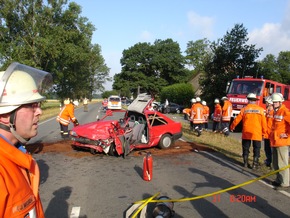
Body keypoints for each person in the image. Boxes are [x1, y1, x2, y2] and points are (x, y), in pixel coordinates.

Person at [0, 62, 52, 217]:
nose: (40, 111)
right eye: (31, 105)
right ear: (4, 115)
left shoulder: (17, 157)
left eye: (39, 105)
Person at [230, 93, 267, 169]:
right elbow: (264, 122)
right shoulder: (260, 110)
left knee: (246, 147)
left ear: (248, 100)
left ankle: (245, 163)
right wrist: (264, 132)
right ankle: (254, 164)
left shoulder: (244, 109)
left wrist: (232, 126)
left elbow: (237, 119)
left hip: (246, 131)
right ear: (255, 101)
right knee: (256, 148)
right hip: (257, 132)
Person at [269, 93, 290, 190]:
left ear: (280, 102)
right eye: (273, 102)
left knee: (282, 163)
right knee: (276, 163)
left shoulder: (285, 111)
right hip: (275, 141)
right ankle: (278, 180)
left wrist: (287, 134)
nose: (274, 104)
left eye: (275, 102)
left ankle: (285, 182)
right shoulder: (276, 112)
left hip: (282, 142)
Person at [264, 96, 274, 168]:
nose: (265, 104)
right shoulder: (267, 112)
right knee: (267, 148)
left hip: (271, 135)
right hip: (266, 134)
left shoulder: (274, 113)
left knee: (271, 150)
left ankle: (271, 163)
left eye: (266, 103)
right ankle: (268, 161)